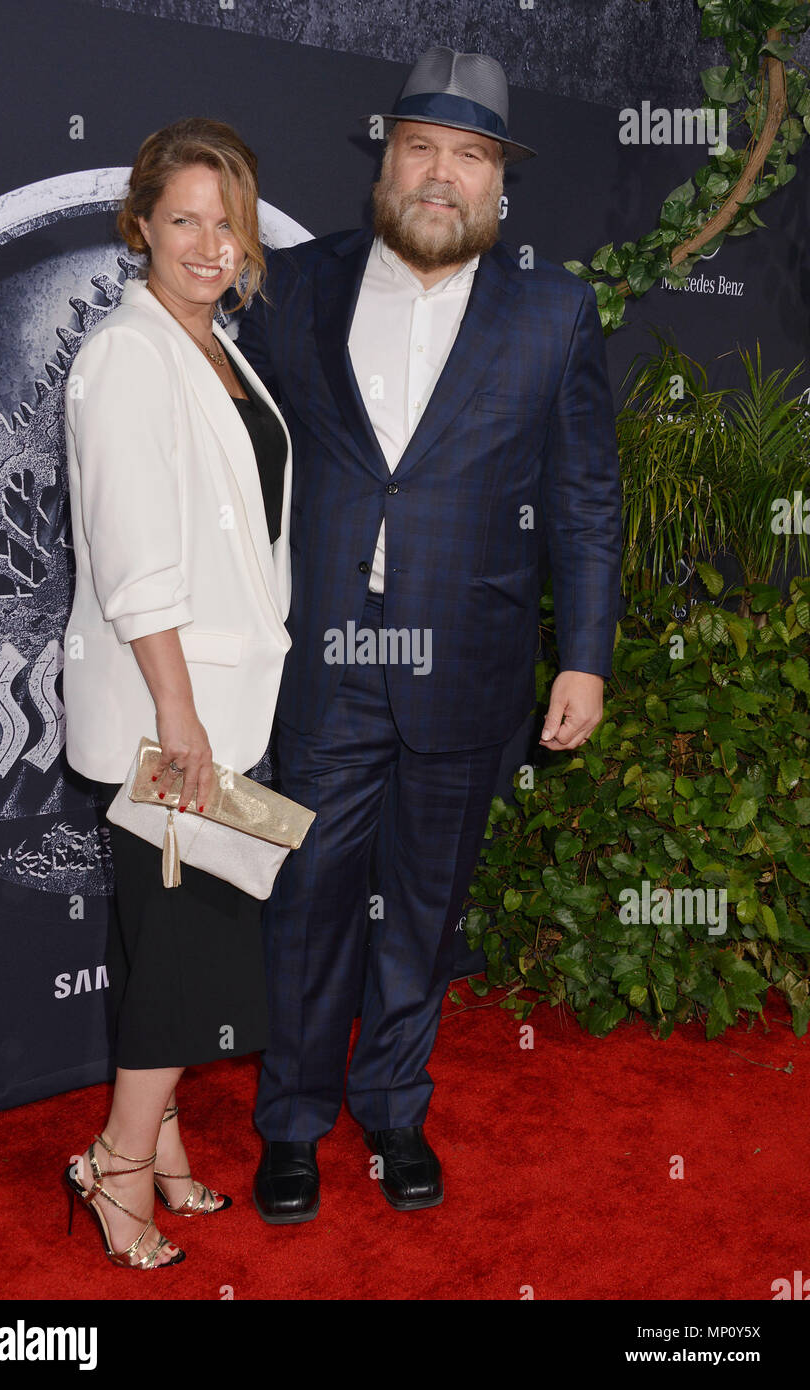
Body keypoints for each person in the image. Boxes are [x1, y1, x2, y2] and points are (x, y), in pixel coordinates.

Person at [235, 47, 624, 1222]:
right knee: (308, 904)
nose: (441, 176)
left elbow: (584, 499)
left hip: (473, 669)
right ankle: (293, 1122)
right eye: (421, 149)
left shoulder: (554, 312)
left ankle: (394, 1106)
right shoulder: (293, 287)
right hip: (327, 668)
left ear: (500, 182)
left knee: (423, 905)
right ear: (385, 160)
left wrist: (588, 653)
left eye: (469, 156)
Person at [61, 117, 292, 1267]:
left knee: (173, 954)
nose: (209, 244)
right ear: (140, 224)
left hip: (223, 709)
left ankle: (162, 1154)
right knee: (182, 959)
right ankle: (111, 1168)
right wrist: (182, 716)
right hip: (172, 719)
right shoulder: (128, 354)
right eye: (185, 219)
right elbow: (134, 559)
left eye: (228, 221)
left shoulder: (216, 347)